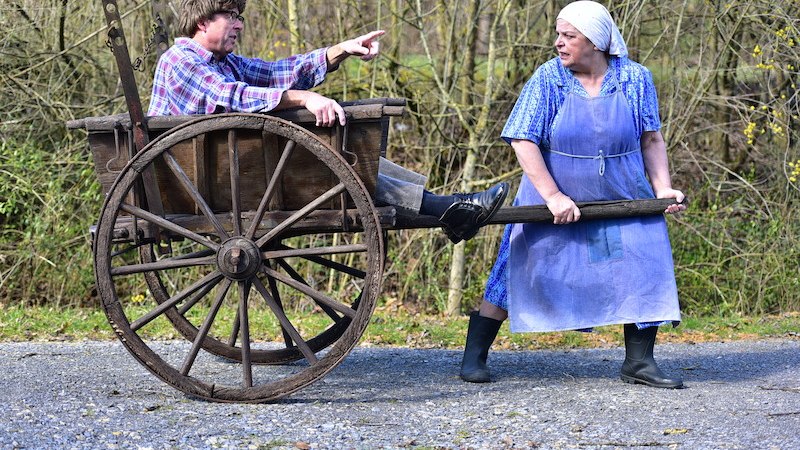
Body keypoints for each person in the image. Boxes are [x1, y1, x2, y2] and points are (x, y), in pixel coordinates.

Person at [460, 0, 687, 388]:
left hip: (624, 194)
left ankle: (639, 362)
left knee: (643, 261)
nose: (558, 43)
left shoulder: (635, 79)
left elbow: (651, 138)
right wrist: (552, 196)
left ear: (596, 43)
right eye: (558, 34)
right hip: (555, 198)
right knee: (520, 266)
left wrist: (663, 189)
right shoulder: (548, 79)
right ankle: (473, 358)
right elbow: (522, 139)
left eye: (569, 36)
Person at [147, 0, 508, 243]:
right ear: (203, 20)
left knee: (355, 162)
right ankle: (452, 209)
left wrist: (342, 50)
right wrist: (304, 98)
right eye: (233, 17)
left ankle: (451, 208)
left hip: (234, 172)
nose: (239, 25)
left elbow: (276, 73)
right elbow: (235, 96)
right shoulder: (180, 60)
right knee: (343, 167)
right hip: (202, 185)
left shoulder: (225, 61)